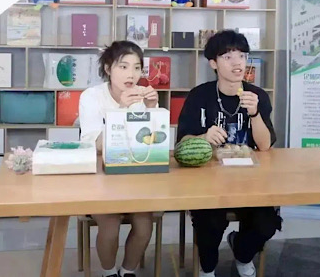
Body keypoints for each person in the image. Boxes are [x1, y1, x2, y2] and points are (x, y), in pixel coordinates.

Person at [176, 30, 282, 277]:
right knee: (209, 222)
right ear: (213, 63)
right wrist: (203, 137)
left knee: (267, 222)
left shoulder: (257, 96)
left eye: (242, 56)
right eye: (228, 57)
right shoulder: (199, 96)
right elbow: (182, 142)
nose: (237, 63)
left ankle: (242, 253)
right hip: (209, 183)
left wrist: (255, 114)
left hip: (251, 182)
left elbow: (265, 146)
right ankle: (207, 267)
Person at [79, 40, 159, 277]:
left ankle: (127, 271)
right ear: (108, 69)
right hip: (100, 177)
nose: (131, 75)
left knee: (144, 226)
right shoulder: (91, 97)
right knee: (110, 225)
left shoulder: (141, 97)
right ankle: (108, 273)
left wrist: (153, 109)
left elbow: (149, 144)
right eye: (123, 67)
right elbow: (94, 144)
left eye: (137, 68)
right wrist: (122, 110)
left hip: (133, 176)